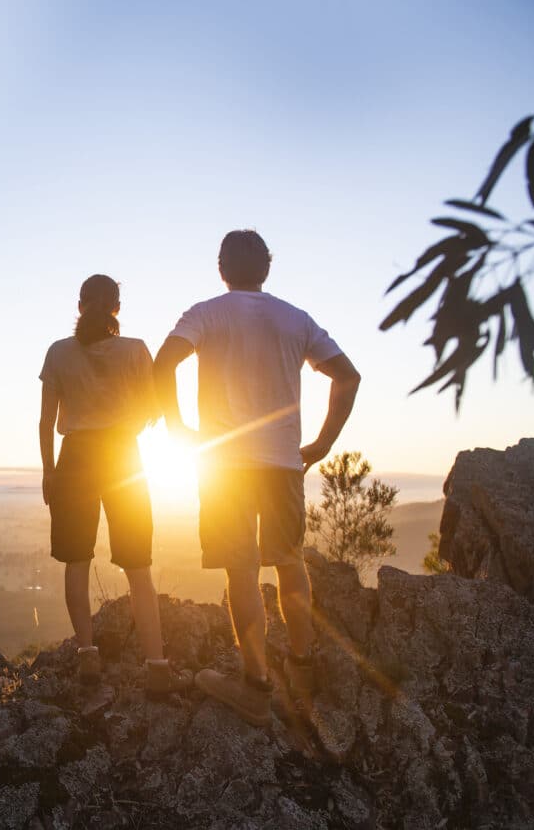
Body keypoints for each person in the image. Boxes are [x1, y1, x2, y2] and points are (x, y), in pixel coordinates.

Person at [153, 230, 360, 726]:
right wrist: (324, 444)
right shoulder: (295, 319)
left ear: (221, 269)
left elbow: (163, 363)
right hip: (284, 463)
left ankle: (255, 686)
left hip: (225, 464)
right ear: (266, 269)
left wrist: (178, 427)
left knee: (241, 570)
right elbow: (348, 377)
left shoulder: (205, 313)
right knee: (290, 561)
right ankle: (303, 667)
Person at [39, 274, 177, 694]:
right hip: (123, 456)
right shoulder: (135, 351)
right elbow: (153, 410)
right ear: (117, 308)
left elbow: (46, 421)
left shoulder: (59, 352)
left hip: (76, 458)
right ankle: (156, 664)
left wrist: (49, 472)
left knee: (76, 560)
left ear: (80, 306)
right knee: (138, 564)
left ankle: (87, 656)